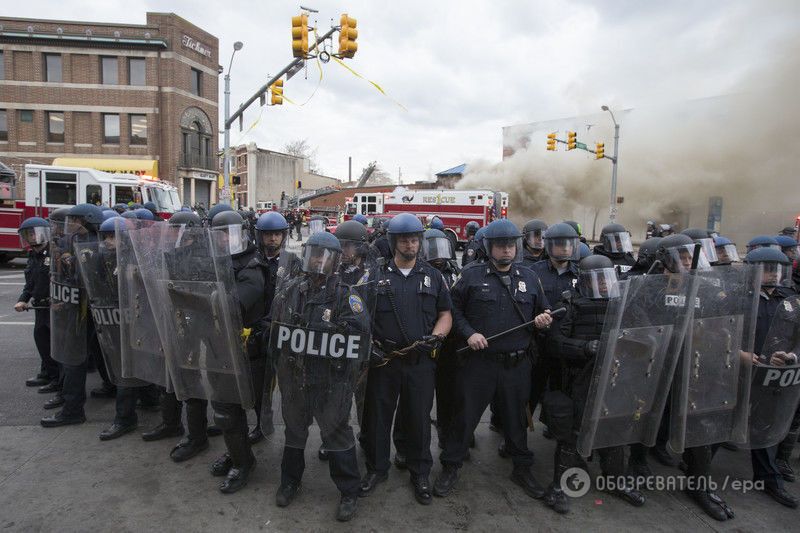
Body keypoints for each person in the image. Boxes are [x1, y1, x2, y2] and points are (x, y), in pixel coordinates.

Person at [434, 219, 552, 501]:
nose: (507, 251)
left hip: (516, 365)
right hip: (479, 364)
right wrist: (469, 333)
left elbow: (544, 309)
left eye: (511, 245)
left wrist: (544, 319)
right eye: (501, 246)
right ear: (489, 247)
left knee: (515, 420)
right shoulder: (471, 275)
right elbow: (453, 311)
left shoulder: (530, 277)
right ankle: (451, 466)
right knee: (465, 418)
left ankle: (521, 467)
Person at [272, 231, 369, 521]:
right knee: (294, 432)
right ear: (306, 255)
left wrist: (333, 334)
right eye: (314, 253)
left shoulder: (346, 296)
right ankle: (290, 481)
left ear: (336, 261)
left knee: (337, 434)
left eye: (324, 255)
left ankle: (349, 491)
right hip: (296, 378)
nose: (318, 260)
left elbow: (360, 339)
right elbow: (277, 326)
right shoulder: (290, 290)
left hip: (330, 381)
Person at [360, 213, 453, 505]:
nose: (410, 245)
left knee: (419, 419)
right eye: (404, 240)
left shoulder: (433, 277)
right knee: (376, 418)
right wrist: (368, 347)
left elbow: (445, 314)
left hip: (420, 362)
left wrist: (437, 337)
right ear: (393, 242)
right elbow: (358, 316)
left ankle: (420, 473)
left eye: (414, 240)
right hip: (384, 361)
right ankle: (377, 469)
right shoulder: (374, 276)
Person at [544, 255, 646, 514]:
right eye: (597, 279)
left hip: (615, 377)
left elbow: (644, 333)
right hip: (579, 378)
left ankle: (614, 480)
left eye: (606, 278)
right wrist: (585, 347)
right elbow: (554, 343)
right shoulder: (571, 304)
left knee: (613, 429)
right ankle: (558, 486)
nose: (603, 285)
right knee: (571, 435)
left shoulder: (623, 303)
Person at [140, 211, 218, 461]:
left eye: (179, 229)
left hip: (194, 324)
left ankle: (197, 436)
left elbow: (204, 294)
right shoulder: (171, 252)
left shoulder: (205, 257)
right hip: (172, 321)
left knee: (190, 376)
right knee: (170, 373)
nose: (175, 234)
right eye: (172, 229)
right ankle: (171, 423)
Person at [206, 210, 266, 493]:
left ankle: (243, 463)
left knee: (234, 409)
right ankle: (237, 452)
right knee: (223, 409)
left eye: (230, 234)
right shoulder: (214, 262)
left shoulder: (251, 268)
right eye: (220, 235)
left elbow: (233, 306)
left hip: (244, 351)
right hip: (218, 346)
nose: (225, 241)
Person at [41, 203, 106, 427]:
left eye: (75, 221)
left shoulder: (93, 247)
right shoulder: (75, 242)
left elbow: (84, 282)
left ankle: (73, 409)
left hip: (83, 310)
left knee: (75, 361)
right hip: (76, 308)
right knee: (77, 359)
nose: (70, 226)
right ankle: (71, 403)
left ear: (86, 221)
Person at [744, 247, 799, 508]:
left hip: (771, 374)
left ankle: (769, 479)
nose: (772, 275)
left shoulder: (790, 301)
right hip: (740, 371)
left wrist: (791, 357)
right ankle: (699, 471)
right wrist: (740, 354)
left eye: (776, 269)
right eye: (766, 269)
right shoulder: (736, 297)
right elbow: (717, 331)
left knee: (764, 424)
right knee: (724, 424)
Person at [526, 222, 581, 450]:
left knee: (561, 391)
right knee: (530, 392)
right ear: (549, 246)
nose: (565, 249)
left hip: (566, 346)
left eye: (569, 244)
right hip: (539, 343)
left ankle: (554, 426)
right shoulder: (533, 273)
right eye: (559, 244)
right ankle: (516, 436)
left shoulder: (581, 273)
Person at [248, 211, 290, 443]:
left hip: (282, 330)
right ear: (260, 236)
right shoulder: (252, 260)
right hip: (257, 332)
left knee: (288, 387)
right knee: (259, 386)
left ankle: (295, 429)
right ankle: (263, 426)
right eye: (268, 235)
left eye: (277, 234)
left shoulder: (293, 262)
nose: (272, 239)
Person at [16, 217, 59, 390]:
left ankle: (57, 379)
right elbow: (30, 284)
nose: (32, 238)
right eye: (28, 234)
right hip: (39, 306)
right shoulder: (33, 256)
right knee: (42, 341)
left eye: (35, 233)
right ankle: (47, 373)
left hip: (53, 306)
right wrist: (22, 300)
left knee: (54, 345)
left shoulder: (54, 254)